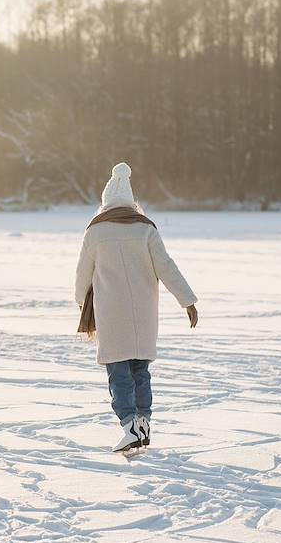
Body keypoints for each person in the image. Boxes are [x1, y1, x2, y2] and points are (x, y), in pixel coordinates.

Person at [74, 163, 198, 452]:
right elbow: (166, 267)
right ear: (132, 201)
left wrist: (83, 304)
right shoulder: (146, 229)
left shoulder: (95, 231)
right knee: (140, 371)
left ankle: (130, 424)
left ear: (105, 203)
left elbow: (83, 274)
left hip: (111, 314)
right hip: (143, 314)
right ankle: (142, 422)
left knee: (118, 372)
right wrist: (187, 300)